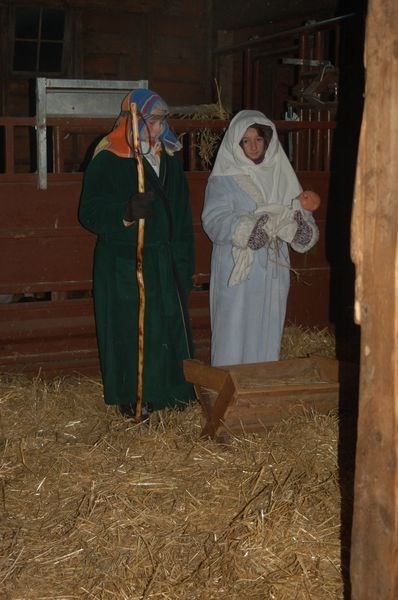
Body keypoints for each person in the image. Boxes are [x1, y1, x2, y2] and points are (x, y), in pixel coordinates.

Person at [79, 88, 195, 418]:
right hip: (125, 264)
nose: (158, 129)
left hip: (165, 261)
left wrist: (184, 262)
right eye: (151, 121)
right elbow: (88, 211)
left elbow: (183, 216)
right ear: (133, 117)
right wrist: (125, 213)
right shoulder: (109, 157)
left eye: (162, 121)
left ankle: (169, 394)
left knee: (165, 326)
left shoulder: (168, 159)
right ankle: (135, 396)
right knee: (132, 329)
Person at [202, 110, 320, 366]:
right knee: (233, 330)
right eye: (246, 140)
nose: (253, 146)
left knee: (268, 325)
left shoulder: (281, 172)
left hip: (272, 267)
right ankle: (229, 391)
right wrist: (246, 230)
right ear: (237, 143)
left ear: (267, 139)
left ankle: (261, 390)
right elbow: (214, 219)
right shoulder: (224, 178)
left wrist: (301, 229)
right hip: (238, 265)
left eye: (257, 139)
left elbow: (299, 213)